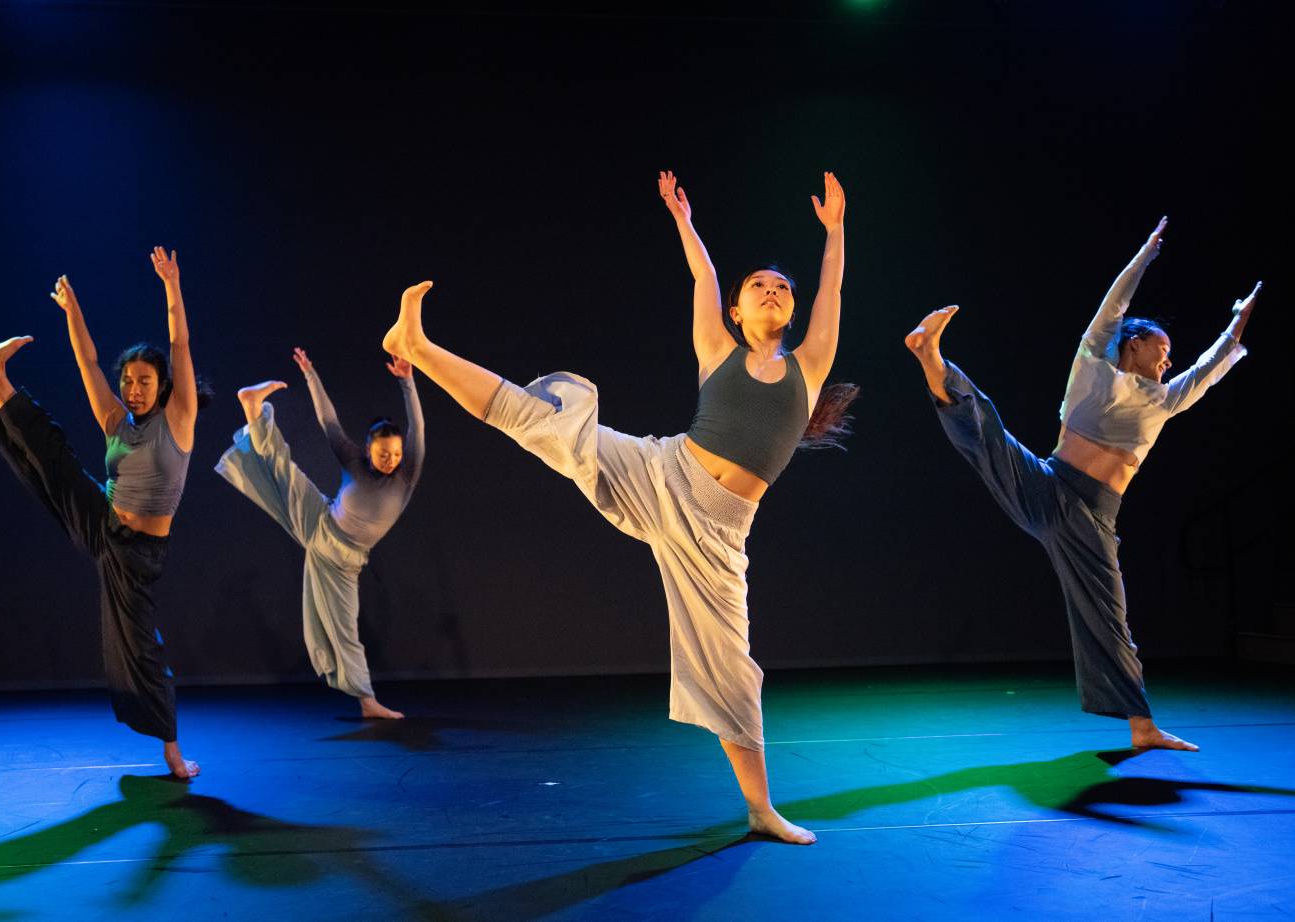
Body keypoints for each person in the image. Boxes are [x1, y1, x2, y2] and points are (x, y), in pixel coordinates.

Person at [379, 171, 857, 844]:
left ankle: (760, 809)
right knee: (541, 419)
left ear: (792, 311)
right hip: (663, 472)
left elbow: (832, 292)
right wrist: (683, 221)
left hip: (718, 535)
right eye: (758, 286)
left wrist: (835, 230)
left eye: (782, 287)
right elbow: (702, 275)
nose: (772, 291)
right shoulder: (716, 350)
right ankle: (418, 347)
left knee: (731, 666)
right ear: (736, 312)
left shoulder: (808, 367)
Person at [904, 218, 1260, 750]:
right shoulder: (1094, 363)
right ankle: (931, 356)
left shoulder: (1166, 398)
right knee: (987, 432)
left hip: (1091, 517)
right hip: (1050, 483)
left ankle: (1142, 728)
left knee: (1108, 619)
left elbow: (1211, 367)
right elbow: (1112, 308)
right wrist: (1146, 254)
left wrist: (1238, 322)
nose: (1169, 359)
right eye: (1161, 347)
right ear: (1133, 344)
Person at [0, 247, 204, 779]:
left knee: (142, 649)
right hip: (103, 521)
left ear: (162, 385)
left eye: (144, 381)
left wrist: (172, 285)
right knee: (50, 456)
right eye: (128, 381)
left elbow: (180, 344)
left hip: (138, 555)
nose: (133, 390)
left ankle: (171, 751)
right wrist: (72, 310)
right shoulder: (115, 420)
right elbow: (88, 363)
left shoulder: (179, 419)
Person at [215, 346, 423, 719]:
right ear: (368, 449)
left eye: (395, 454)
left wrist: (407, 382)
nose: (390, 460)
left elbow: (417, 430)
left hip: (343, 561)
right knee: (283, 470)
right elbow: (328, 420)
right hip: (321, 523)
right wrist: (311, 374)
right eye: (383, 454)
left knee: (345, 630)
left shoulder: (406, 476)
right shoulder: (353, 460)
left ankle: (366, 702)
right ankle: (253, 407)